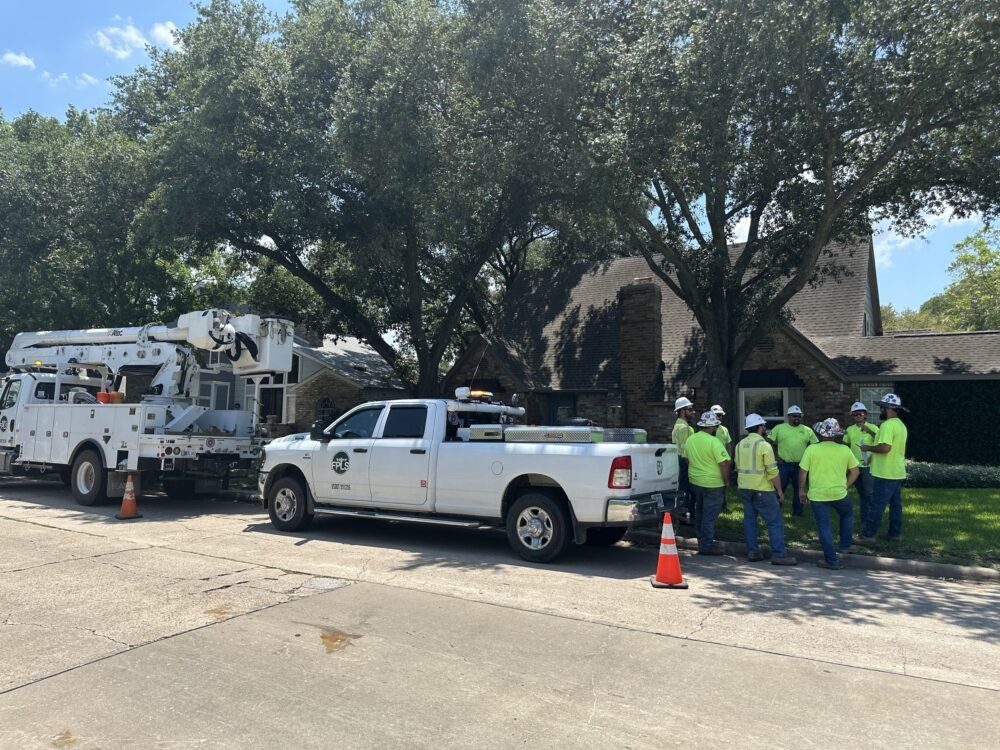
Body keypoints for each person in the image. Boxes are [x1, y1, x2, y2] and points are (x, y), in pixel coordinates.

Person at [734, 413, 798, 565]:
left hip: (744, 487)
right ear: (760, 427)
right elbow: (773, 472)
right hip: (762, 489)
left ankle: (753, 552)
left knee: (750, 520)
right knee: (774, 522)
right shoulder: (764, 445)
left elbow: (738, 465)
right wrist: (780, 491)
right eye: (763, 426)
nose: (765, 428)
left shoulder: (739, 444)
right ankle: (779, 555)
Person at [799, 418, 860, 570]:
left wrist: (801, 490)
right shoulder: (844, 450)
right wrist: (845, 486)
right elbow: (855, 472)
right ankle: (845, 545)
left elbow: (803, 472)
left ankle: (831, 560)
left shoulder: (812, 449)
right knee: (847, 515)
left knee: (824, 526)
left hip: (818, 495)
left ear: (821, 433)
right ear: (836, 434)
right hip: (840, 494)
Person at [858, 393, 910, 544]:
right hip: (896, 471)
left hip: (884, 473)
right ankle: (895, 533)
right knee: (896, 505)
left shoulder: (887, 425)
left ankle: (868, 535)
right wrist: (870, 432)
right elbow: (885, 441)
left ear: (889, 408)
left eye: (882, 407)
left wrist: (867, 447)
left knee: (876, 504)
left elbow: (885, 448)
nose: (880, 410)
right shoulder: (900, 425)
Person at [684, 411, 731, 555]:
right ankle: (706, 545)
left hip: (695, 481)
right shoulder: (714, 442)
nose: (716, 428)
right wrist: (727, 481)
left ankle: (701, 539)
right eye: (715, 426)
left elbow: (686, 458)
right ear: (710, 427)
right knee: (709, 515)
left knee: (699, 511)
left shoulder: (691, 439)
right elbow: (724, 464)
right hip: (713, 484)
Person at [768, 405, 818, 517]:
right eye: (794, 416)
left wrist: (810, 459)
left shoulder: (807, 430)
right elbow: (768, 442)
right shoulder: (779, 428)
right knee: (779, 488)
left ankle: (798, 513)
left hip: (801, 465)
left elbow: (815, 445)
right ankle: (776, 511)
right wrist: (774, 456)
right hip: (783, 464)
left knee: (799, 489)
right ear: (788, 416)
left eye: (799, 416)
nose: (797, 418)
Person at [842, 401, 877, 532]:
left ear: (865, 415)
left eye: (860, 413)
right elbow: (845, 445)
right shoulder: (850, 430)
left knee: (869, 494)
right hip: (854, 467)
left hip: (868, 466)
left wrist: (869, 431)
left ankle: (871, 520)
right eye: (855, 414)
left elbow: (881, 442)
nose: (858, 416)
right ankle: (864, 518)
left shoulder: (873, 427)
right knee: (862, 494)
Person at [671, 396, 697, 524]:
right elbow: (685, 451)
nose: (693, 412)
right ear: (682, 411)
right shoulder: (684, 428)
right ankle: (687, 517)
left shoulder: (678, 425)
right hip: (684, 462)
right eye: (690, 409)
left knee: (683, 490)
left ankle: (683, 515)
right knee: (688, 491)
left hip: (679, 461)